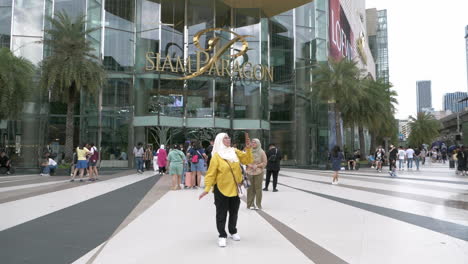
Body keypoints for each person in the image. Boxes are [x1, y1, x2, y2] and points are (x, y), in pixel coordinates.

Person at [199, 132, 253, 248]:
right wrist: (207, 189)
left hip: (235, 189)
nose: (228, 139)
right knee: (221, 213)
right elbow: (211, 174)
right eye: (225, 138)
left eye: (228, 137)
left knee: (234, 212)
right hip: (221, 189)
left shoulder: (234, 151)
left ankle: (233, 231)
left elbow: (246, 160)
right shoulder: (216, 156)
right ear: (219, 141)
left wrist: (248, 149)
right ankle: (222, 235)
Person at [246, 138, 267, 210]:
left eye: (255, 142)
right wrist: (250, 165)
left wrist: (257, 166)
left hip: (258, 172)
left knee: (258, 189)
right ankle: (250, 204)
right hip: (249, 172)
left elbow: (264, 162)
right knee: (250, 189)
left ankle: (258, 204)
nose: (253, 144)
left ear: (258, 143)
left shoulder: (261, 152)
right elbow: (245, 160)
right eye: (252, 142)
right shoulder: (249, 151)